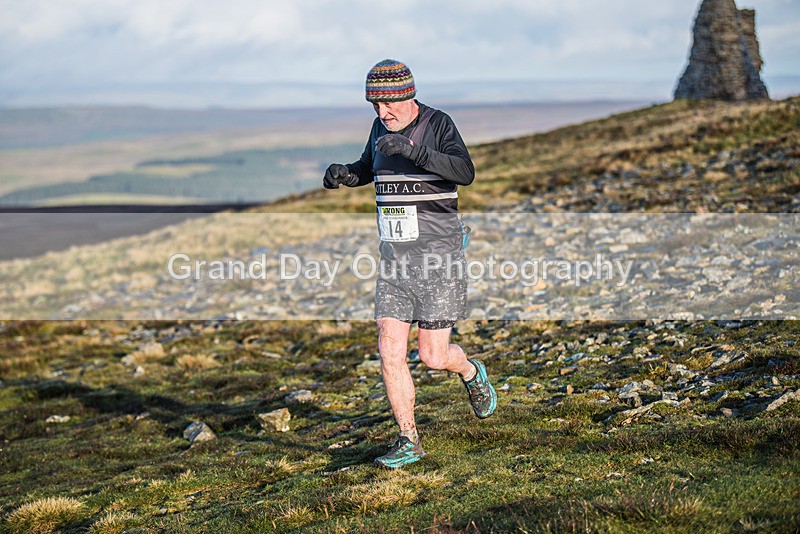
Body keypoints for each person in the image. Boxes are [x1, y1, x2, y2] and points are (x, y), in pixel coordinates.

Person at [323, 59, 497, 469]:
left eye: (388, 106)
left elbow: (464, 172)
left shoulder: (438, 125)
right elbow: (370, 167)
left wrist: (414, 151)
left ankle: (472, 372)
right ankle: (408, 440)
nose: (382, 115)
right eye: (374, 107)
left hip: (439, 259)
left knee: (433, 357)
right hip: (395, 263)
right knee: (389, 351)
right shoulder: (379, 127)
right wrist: (347, 174)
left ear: (408, 96)